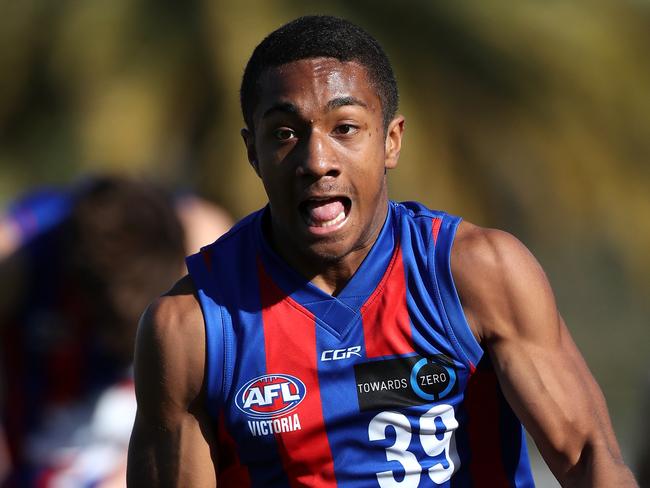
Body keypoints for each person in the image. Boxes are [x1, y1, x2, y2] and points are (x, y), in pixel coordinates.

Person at [127, 15, 637, 487]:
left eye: (345, 128)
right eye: (284, 134)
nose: (316, 160)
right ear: (252, 152)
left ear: (391, 141)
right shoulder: (190, 328)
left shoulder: (476, 273)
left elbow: (589, 457)